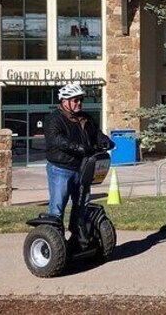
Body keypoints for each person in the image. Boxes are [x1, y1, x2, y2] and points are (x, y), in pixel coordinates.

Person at [44, 83, 114, 241]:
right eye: (75, 100)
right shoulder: (54, 119)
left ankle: (77, 236)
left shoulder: (85, 118)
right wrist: (81, 148)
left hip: (83, 168)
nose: (79, 103)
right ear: (64, 101)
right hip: (61, 168)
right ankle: (55, 240)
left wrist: (106, 141)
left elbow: (97, 134)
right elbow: (58, 141)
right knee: (58, 205)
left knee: (82, 203)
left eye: (81, 100)